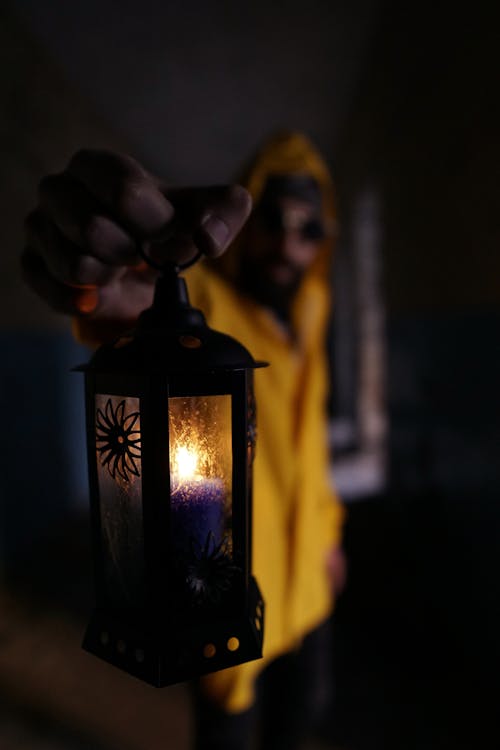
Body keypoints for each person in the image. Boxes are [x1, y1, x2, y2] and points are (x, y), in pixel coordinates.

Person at [22, 131, 346, 749]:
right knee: (230, 731)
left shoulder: (312, 309)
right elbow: (131, 298)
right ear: (247, 218)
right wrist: (114, 271)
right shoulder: (211, 310)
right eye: (273, 219)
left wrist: (331, 533)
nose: (286, 243)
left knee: (300, 722)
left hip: (310, 581)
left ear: (323, 245)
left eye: (308, 230)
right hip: (229, 592)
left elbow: (312, 445)